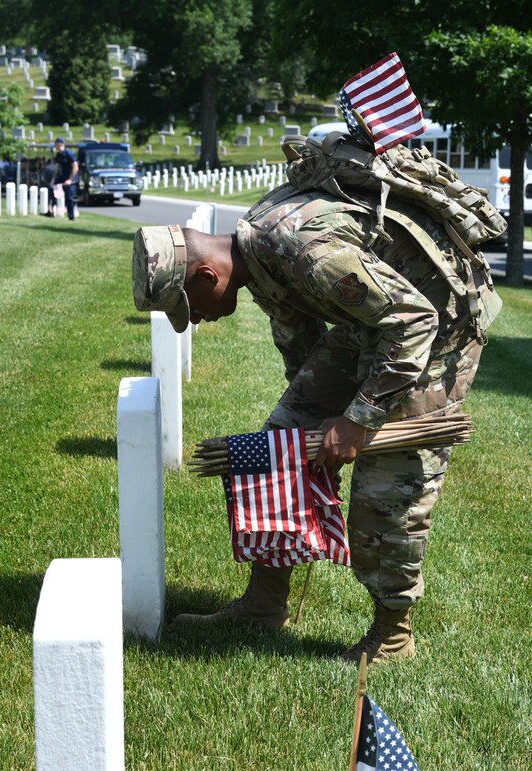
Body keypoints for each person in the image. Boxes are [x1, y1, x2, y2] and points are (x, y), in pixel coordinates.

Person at [131, 178, 502, 665]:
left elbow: (413, 320)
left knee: (387, 486)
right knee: (272, 454)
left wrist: (358, 419)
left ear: (206, 276)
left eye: (190, 308)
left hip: (438, 326)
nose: (195, 319)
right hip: (370, 323)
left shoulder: (301, 251)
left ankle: (393, 633)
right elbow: (301, 347)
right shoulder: (254, 259)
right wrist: (305, 435)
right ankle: (264, 603)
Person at [51, 137, 79, 220]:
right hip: (63, 176)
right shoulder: (59, 155)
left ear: (60, 144)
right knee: (51, 189)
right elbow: (57, 167)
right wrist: (53, 180)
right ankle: (52, 210)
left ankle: (71, 216)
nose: (55, 147)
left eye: (56, 145)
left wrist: (70, 179)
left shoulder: (68, 153)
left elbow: (75, 167)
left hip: (71, 177)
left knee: (69, 197)